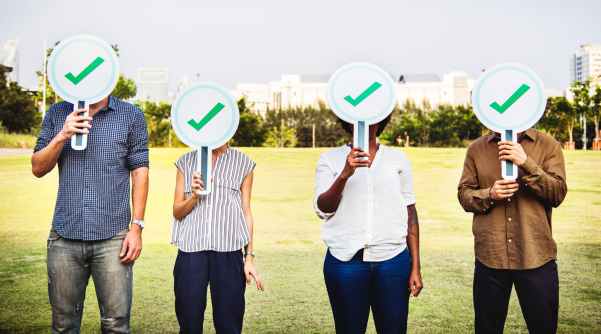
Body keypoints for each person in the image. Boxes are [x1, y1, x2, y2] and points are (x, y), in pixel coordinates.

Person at [31, 95, 149, 333]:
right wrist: (63, 134)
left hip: (114, 238)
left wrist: (136, 227)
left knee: (116, 325)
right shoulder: (57, 112)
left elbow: (140, 171)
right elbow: (37, 167)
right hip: (65, 236)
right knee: (64, 325)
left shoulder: (131, 115)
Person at [313, 116, 423, 334]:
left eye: (373, 116)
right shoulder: (330, 159)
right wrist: (345, 173)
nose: (364, 121)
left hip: (393, 261)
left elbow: (410, 213)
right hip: (345, 262)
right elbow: (323, 208)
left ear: (381, 120)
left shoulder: (397, 158)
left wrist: (416, 266)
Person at [457, 128, 567, 334]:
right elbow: (464, 195)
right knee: (487, 328)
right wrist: (489, 194)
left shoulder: (547, 144)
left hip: (536, 255)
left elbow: (557, 193)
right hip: (491, 257)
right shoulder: (476, 149)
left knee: (543, 327)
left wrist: (525, 162)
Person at [172, 143, 264, 334]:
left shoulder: (243, 162)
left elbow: (246, 211)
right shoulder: (186, 161)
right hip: (191, 251)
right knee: (189, 323)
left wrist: (249, 258)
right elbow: (177, 211)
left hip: (229, 253)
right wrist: (194, 197)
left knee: (229, 324)